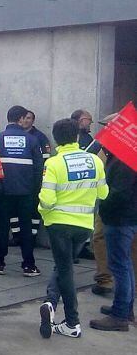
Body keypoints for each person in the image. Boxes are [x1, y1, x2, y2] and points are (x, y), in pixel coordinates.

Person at [37, 119, 108, 339]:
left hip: (58, 224)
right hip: (84, 226)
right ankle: (50, 302)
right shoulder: (94, 161)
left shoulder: (54, 163)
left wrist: (43, 210)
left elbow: (47, 199)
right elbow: (103, 194)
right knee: (64, 266)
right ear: (77, 136)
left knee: (65, 270)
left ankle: (72, 322)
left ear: (56, 139)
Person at [0, 105, 44, 277]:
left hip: (3, 191)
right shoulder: (32, 140)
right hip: (26, 192)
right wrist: (35, 191)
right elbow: (38, 168)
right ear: (20, 119)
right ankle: (29, 265)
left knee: (2, 228)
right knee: (26, 228)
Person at [89, 147, 137, 331]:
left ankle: (119, 316)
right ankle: (125, 309)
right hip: (125, 217)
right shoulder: (123, 156)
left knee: (120, 266)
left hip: (120, 219)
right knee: (124, 265)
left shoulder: (124, 160)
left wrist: (102, 197)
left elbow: (119, 192)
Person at [10, 110, 51, 247]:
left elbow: (45, 159)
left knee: (34, 210)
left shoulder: (40, 137)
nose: (26, 121)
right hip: (16, 180)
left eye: (29, 118)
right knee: (14, 210)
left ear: (33, 121)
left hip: (34, 181)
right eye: (25, 118)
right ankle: (16, 236)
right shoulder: (14, 136)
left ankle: (32, 237)